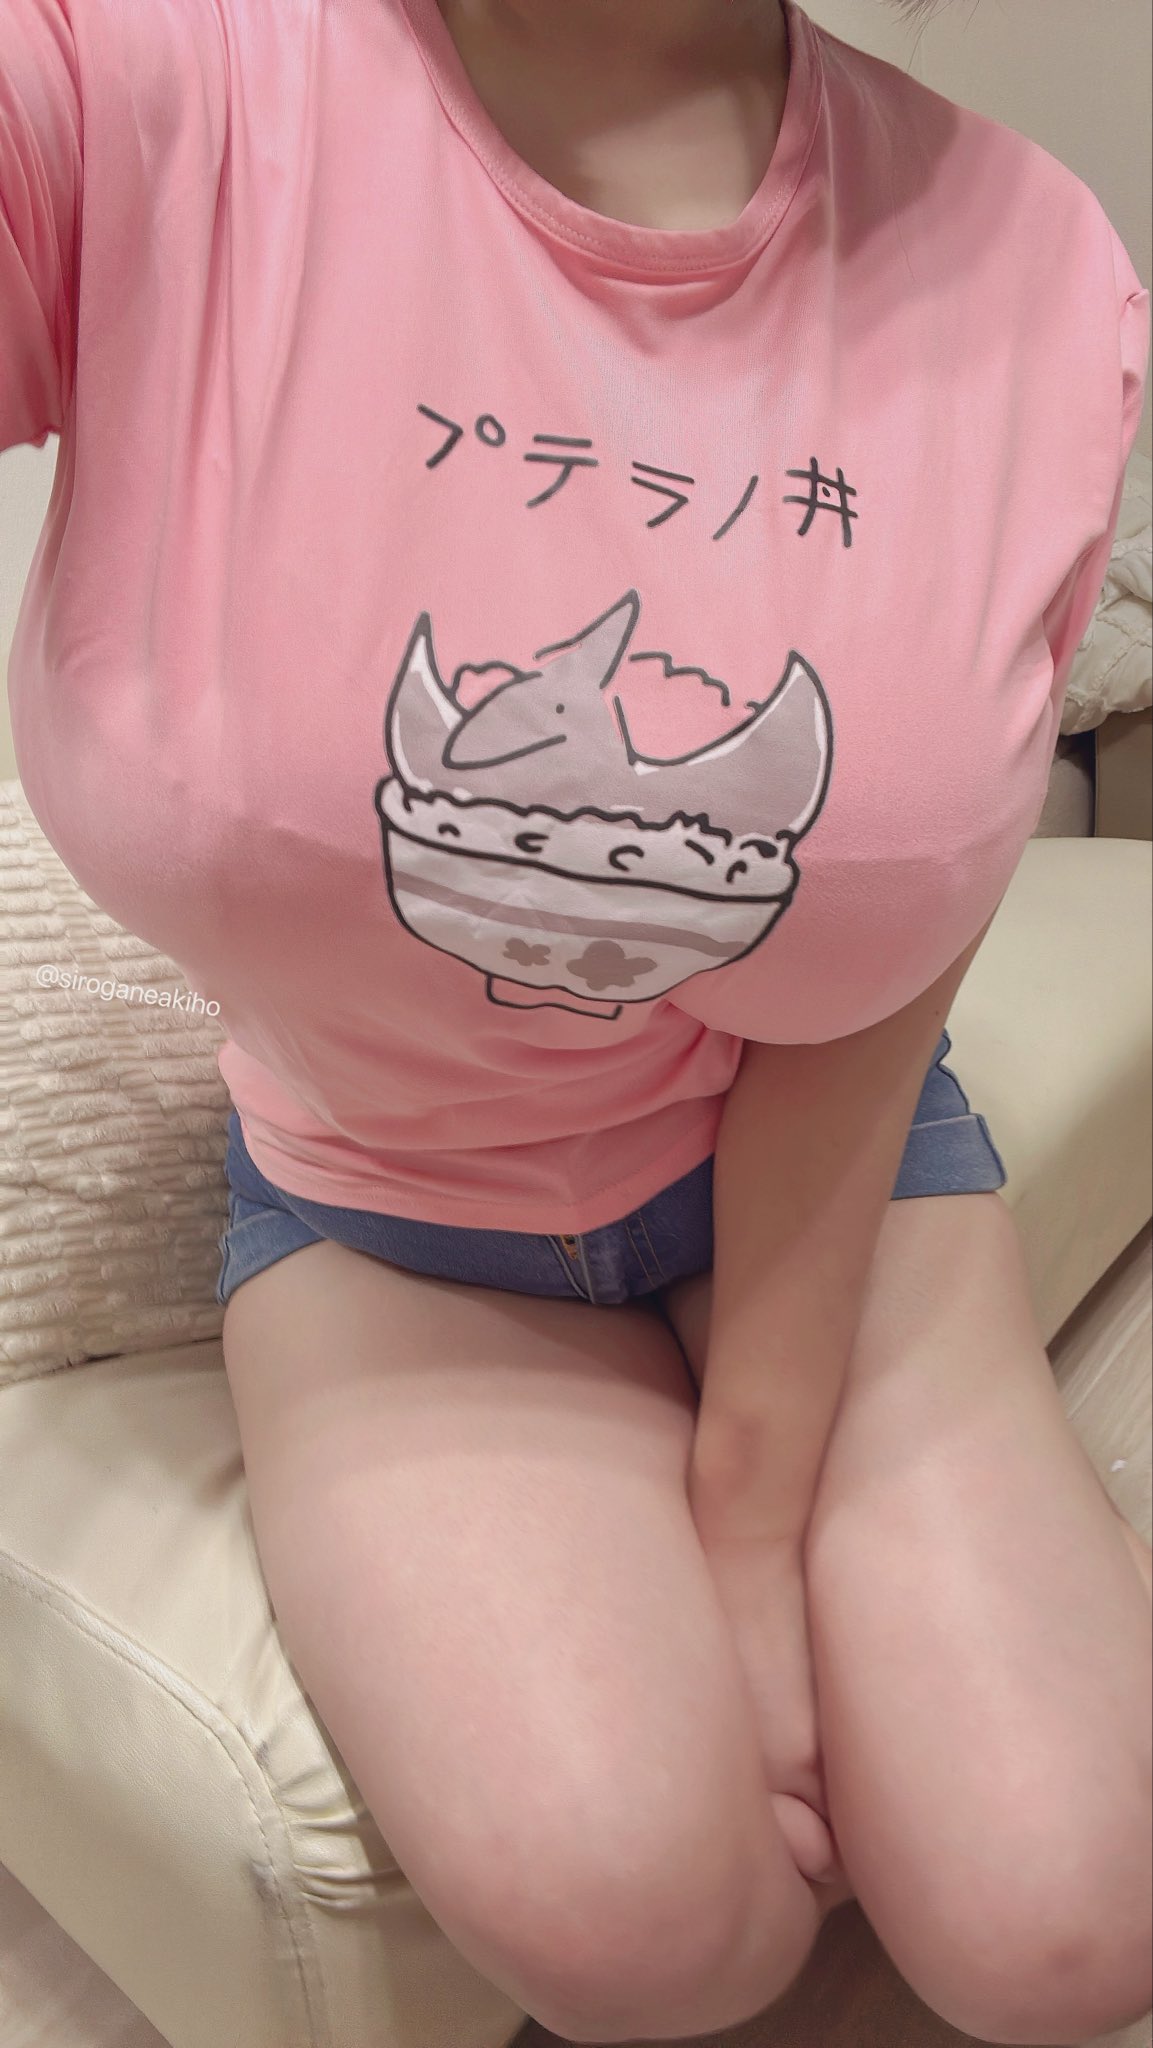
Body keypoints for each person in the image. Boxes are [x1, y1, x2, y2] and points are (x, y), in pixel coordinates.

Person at [3, 0, 1151, 2037]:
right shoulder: (135, 77)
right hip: (384, 1196)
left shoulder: (1035, 263)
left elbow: (901, 923)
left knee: (1075, 1918)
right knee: (651, 1927)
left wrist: (753, 1514)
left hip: (821, 1146)